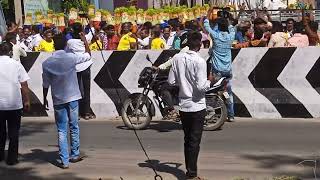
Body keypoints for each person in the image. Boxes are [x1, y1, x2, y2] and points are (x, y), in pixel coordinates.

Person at [168, 31, 214, 180]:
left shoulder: (177, 58)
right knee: (194, 141)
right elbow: (201, 87)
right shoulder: (200, 61)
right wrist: (209, 81)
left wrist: (184, 83)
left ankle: (190, 171)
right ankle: (192, 174)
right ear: (200, 45)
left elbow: (171, 82)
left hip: (183, 105)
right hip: (197, 106)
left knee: (188, 139)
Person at [42, 33, 91, 169]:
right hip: (73, 97)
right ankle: (74, 154)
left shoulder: (46, 63)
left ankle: (64, 161)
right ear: (65, 44)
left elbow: (45, 84)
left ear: (53, 44)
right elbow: (88, 55)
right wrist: (85, 40)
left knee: (62, 130)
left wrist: (44, 98)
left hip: (58, 99)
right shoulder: (71, 58)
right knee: (74, 126)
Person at [0, 42, 30, 165]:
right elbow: (24, 84)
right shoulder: (16, 64)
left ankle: (0, 155)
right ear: (10, 52)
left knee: (0, 132)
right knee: (13, 132)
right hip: (14, 104)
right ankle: (12, 158)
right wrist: (27, 100)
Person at [204, 8, 236, 122]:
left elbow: (207, 27)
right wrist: (227, 19)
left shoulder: (216, 36)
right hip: (227, 70)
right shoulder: (230, 37)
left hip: (217, 71)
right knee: (228, 92)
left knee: (213, 92)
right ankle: (231, 115)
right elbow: (232, 28)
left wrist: (208, 15)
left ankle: (215, 113)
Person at [67, 22, 95, 120]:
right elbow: (89, 52)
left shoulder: (70, 42)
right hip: (86, 66)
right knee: (87, 90)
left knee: (76, 91)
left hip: (76, 67)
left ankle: (77, 113)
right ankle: (87, 113)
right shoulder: (85, 39)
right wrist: (85, 41)